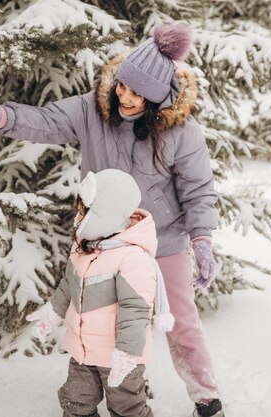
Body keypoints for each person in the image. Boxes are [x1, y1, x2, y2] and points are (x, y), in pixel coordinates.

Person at [0, 22, 224, 417]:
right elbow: (45, 121)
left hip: (161, 243)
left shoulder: (180, 131)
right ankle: (129, 386)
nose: (125, 97)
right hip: (102, 241)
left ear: (157, 99)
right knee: (103, 322)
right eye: (122, 86)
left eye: (137, 93)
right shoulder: (92, 110)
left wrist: (201, 240)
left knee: (180, 321)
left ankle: (205, 394)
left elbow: (198, 189)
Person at [27, 169, 173, 417]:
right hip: (83, 352)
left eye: (85, 212)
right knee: (75, 403)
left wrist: (127, 353)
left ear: (105, 215)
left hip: (118, 355)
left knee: (127, 408)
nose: (78, 217)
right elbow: (68, 285)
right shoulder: (84, 248)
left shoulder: (132, 257)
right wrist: (52, 313)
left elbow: (136, 310)